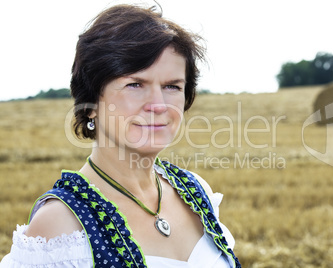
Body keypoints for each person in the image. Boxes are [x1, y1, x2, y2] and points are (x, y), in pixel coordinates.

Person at [0, 4, 241, 268]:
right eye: (135, 84)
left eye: (172, 86)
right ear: (91, 103)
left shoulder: (196, 192)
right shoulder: (59, 226)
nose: (159, 105)